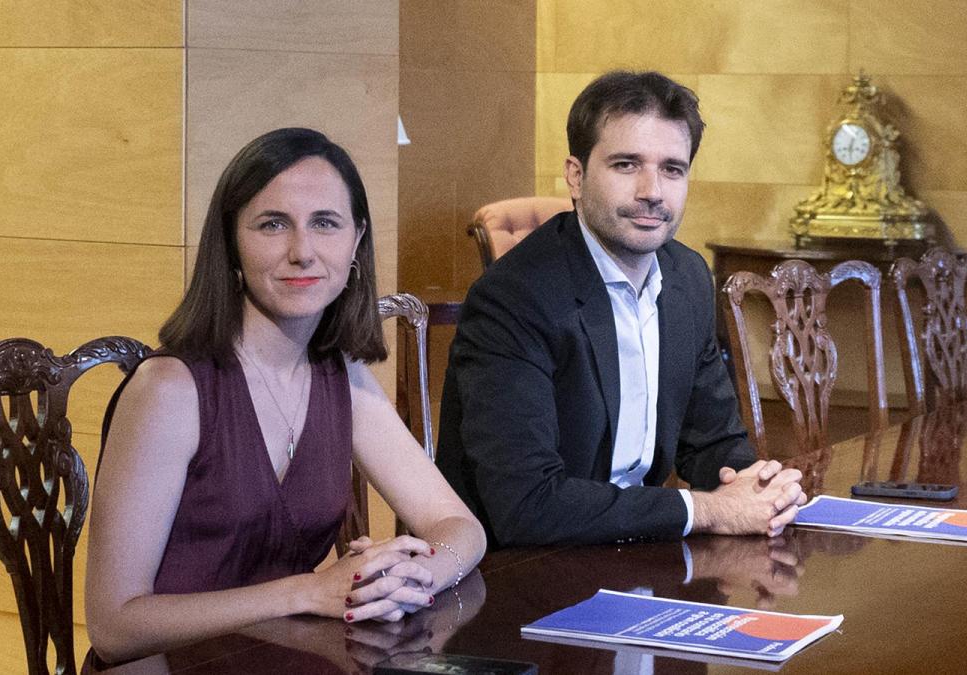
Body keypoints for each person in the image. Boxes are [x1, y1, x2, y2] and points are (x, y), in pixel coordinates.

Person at [85, 128, 486, 664]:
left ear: (356, 243)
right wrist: (308, 590)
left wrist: (408, 574)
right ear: (231, 243)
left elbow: (459, 527)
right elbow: (114, 625)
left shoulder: (342, 376)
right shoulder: (169, 391)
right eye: (273, 225)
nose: (302, 252)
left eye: (325, 223)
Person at [436, 71, 806, 548]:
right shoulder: (514, 297)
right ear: (576, 175)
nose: (652, 190)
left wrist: (760, 488)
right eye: (627, 165)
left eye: (673, 169)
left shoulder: (687, 277)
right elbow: (528, 506)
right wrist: (711, 509)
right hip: (521, 574)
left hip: (634, 552)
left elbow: (713, 442)